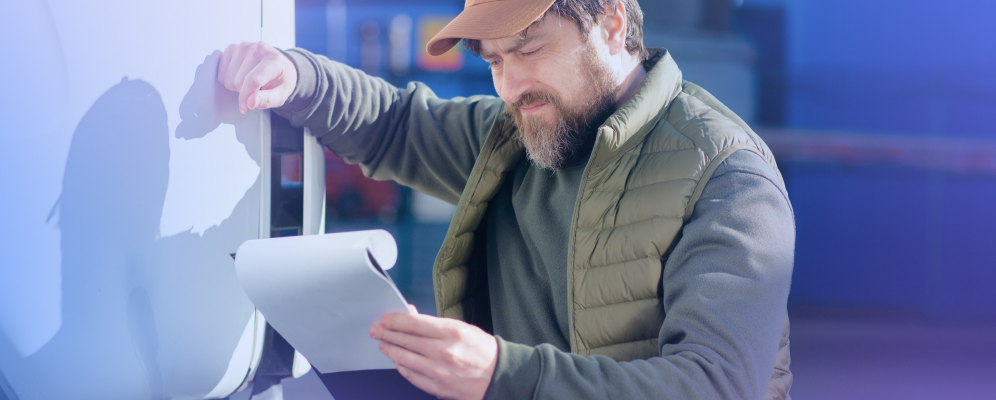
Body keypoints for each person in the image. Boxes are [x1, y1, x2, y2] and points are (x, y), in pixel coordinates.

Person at [217, 0, 794, 398]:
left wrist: (501, 374)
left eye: (529, 49)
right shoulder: (514, 136)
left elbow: (716, 386)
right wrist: (296, 77)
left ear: (613, 23)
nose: (511, 86)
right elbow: (396, 124)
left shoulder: (727, 175)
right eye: (494, 60)